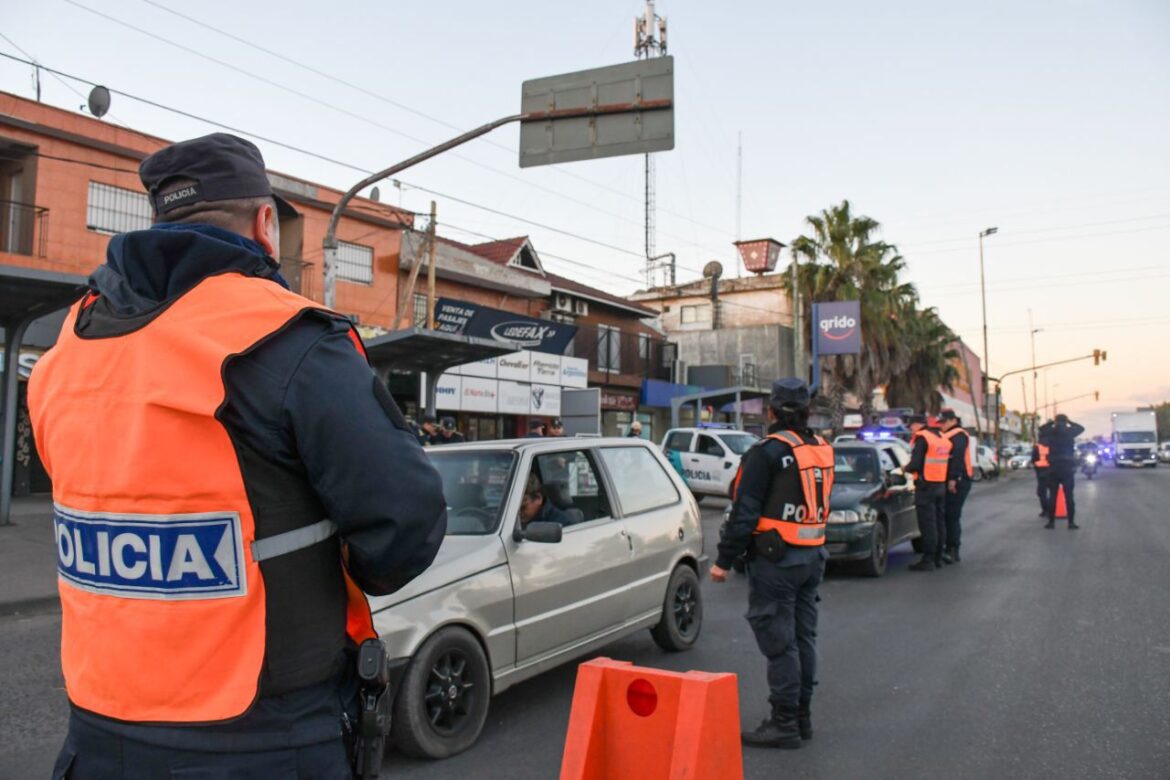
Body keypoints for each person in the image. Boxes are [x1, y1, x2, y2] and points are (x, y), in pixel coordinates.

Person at [28, 133, 448, 779]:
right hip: (258, 738)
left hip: (95, 734)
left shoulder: (66, 355)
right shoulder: (288, 338)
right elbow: (406, 521)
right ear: (264, 226)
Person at [709, 378, 833, 749]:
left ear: (772, 411)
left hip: (776, 562)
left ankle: (784, 723)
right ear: (807, 411)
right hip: (812, 557)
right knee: (802, 639)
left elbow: (744, 513)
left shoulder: (766, 452)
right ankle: (801, 717)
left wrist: (723, 561)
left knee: (780, 645)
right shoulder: (821, 448)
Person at [905, 414, 953, 571]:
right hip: (940, 484)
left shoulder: (922, 438)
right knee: (939, 522)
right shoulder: (941, 437)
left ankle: (928, 559)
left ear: (917, 425)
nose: (911, 429)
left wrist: (905, 469)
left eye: (911, 426)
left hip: (926, 486)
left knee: (927, 524)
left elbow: (916, 463)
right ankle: (938, 557)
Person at [1039, 414, 1085, 529]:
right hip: (1067, 468)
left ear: (1056, 421)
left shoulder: (1051, 431)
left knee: (1053, 496)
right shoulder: (1070, 431)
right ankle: (1071, 522)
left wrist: (1051, 423)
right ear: (1065, 421)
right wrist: (1070, 422)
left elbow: (1041, 430)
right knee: (1069, 497)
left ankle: (1051, 522)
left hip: (1053, 468)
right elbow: (1081, 428)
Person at [938, 409, 972, 563]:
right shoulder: (947, 435)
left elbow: (957, 458)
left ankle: (953, 549)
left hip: (959, 480)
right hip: (949, 479)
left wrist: (953, 479)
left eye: (944, 422)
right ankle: (947, 547)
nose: (942, 425)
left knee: (951, 515)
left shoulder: (958, 435)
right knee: (946, 515)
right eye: (940, 422)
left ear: (953, 420)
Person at [1031, 436, 1051, 517]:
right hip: (1052, 472)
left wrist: (1037, 466)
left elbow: (1033, 460)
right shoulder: (1053, 445)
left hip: (1041, 473)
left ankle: (1045, 510)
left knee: (1042, 493)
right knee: (1053, 492)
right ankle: (1051, 510)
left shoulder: (1037, 446)